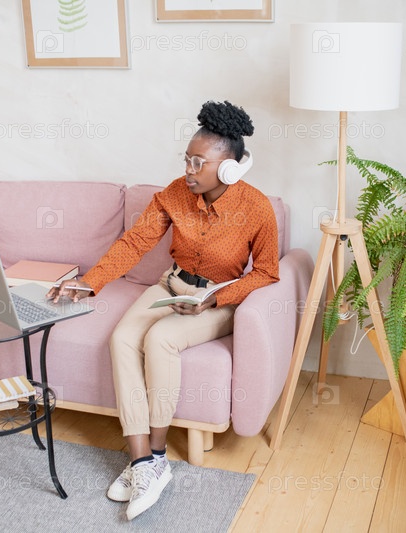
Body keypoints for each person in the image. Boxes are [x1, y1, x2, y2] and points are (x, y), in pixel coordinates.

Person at [48, 101, 279, 520]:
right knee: (121, 338)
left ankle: (157, 456)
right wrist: (89, 282)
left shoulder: (257, 207)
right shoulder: (175, 193)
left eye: (198, 162)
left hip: (217, 299)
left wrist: (216, 299)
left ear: (230, 168)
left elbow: (266, 272)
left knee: (160, 340)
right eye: (186, 159)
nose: (188, 170)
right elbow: (135, 241)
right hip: (169, 286)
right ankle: (142, 461)